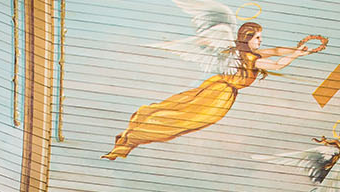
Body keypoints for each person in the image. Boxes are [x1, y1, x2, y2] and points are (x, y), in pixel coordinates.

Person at [106, 17, 327, 160]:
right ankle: (132, 138)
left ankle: (131, 136)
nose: (261, 41)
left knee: (179, 109)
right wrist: (297, 55)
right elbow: (277, 63)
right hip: (219, 96)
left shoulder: (246, 53)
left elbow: (277, 51)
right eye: (258, 37)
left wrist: (296, 49)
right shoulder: (251, 59)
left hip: (216, 86)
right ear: (247, 38)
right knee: (186, 119)